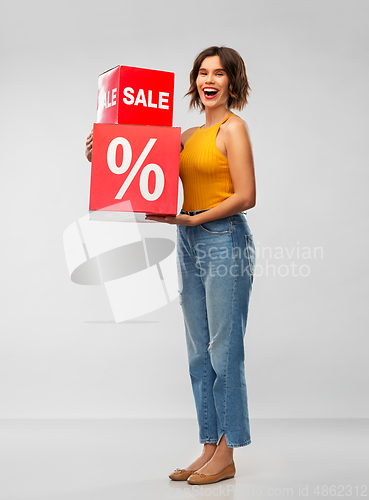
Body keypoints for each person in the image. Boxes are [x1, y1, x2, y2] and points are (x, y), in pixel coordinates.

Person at [85, 46, 256, 485]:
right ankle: (208, 446)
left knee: (225, 350)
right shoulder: (185, 136)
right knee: (199, 354)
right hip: (188, 240)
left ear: (232, 82)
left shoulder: (234, 130)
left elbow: (246, 196)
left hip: (223, 239)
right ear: (195, 82)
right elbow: (142, 164)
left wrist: (194, 218)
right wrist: (100, 151)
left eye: (219, 73)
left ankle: (228, 452)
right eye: (202, 73)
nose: (209, 79)